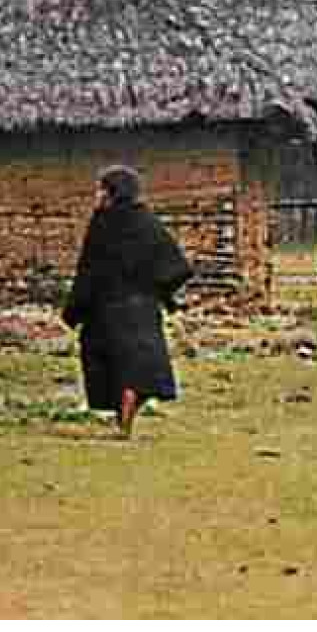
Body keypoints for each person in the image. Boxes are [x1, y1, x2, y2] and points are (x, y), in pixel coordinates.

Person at [61, 165, 193, 439]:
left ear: (111, 192)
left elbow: (89, 270)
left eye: (101, 189)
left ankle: (124, 412)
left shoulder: (102, 224)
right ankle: (129, 406)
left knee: (112, 366)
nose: (97, 195)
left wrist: (75, 309)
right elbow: (177, 266)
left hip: (106, 312)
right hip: (143, 310)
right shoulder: (148, 223)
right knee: (141, 370)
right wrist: (159, 291)